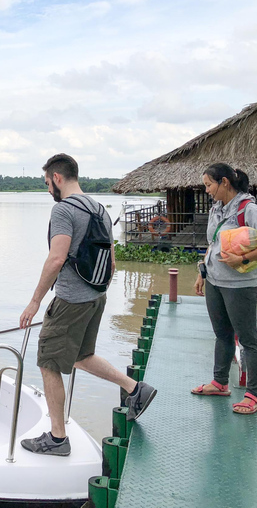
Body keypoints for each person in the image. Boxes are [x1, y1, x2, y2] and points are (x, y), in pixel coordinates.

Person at [19, 153, 157, 456]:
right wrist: (99, 291)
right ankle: (135, 389)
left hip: (70, 300)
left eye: (46, 183)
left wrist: (34, 302)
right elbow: (112, 258)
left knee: (48, 362)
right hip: (96, 296)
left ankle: (57, 438)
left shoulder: (64, 211)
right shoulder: (99, 208)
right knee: (82, 355)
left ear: (57, 178)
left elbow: (56, 258)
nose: (47, 190)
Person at [191, 163, 257, 414]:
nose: (207, 190)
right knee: (222, 334)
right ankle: (220, 382)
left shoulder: (248, 209)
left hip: (240, 285)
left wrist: (242, 260)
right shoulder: (217, 209)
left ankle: (254, 395)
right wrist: (203, 272)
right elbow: (213, 243)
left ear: (224, 183)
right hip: (215, 282)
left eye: (209, 185)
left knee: (248, 338)